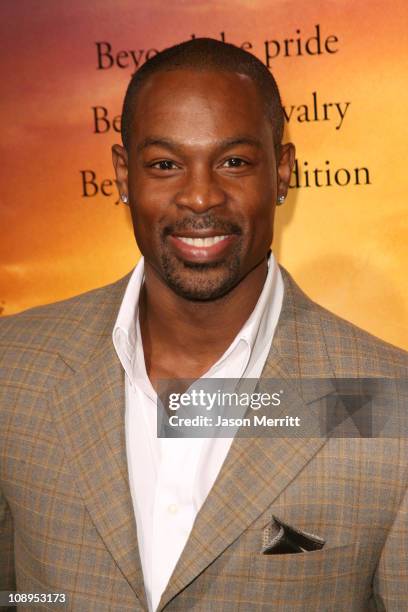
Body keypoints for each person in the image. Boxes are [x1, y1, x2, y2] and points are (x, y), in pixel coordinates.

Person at [0, 38, 407, 612]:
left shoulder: (392, 405)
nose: (199, 196)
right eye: (165, 164)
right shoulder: (13, 368)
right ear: (122, 175)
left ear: (283, 171)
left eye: (233, 161)